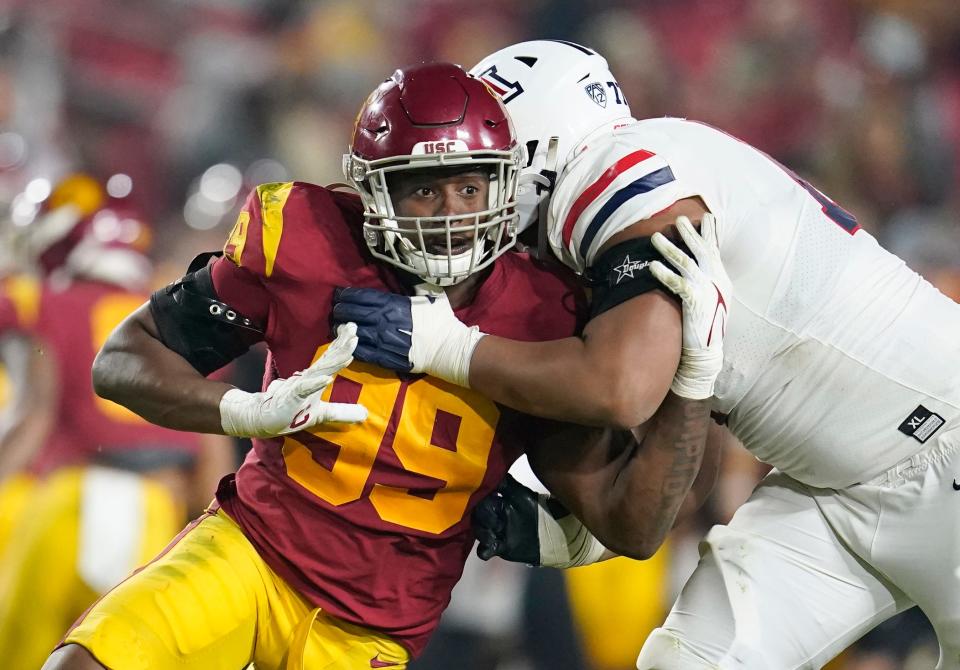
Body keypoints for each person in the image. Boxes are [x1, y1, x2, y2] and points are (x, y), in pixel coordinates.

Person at [42, 63, 721, 670]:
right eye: (424, 190)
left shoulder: (544, 314)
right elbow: (125, 358)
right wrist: (237, 411)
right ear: (370, 192)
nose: (451, 215)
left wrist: (694, 381)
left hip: (371, 632)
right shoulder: (306, 243)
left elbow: (631, 525)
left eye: (470, 187)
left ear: (507, 186)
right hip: (249, 553)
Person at [332, 41, 960, 669]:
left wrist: (446, 346)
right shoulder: (621, 207)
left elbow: (619, 389)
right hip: (829, 491)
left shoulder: (622, 172)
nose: (463, 191)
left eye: (485, 155)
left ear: (541, 145)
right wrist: (586, 541)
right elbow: (666, 488)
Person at [0, 174, 236, 669]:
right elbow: (213, 465)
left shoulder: (45, 302)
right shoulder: (179, 319)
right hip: (153, 509)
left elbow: (31, 419)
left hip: (67, 500)